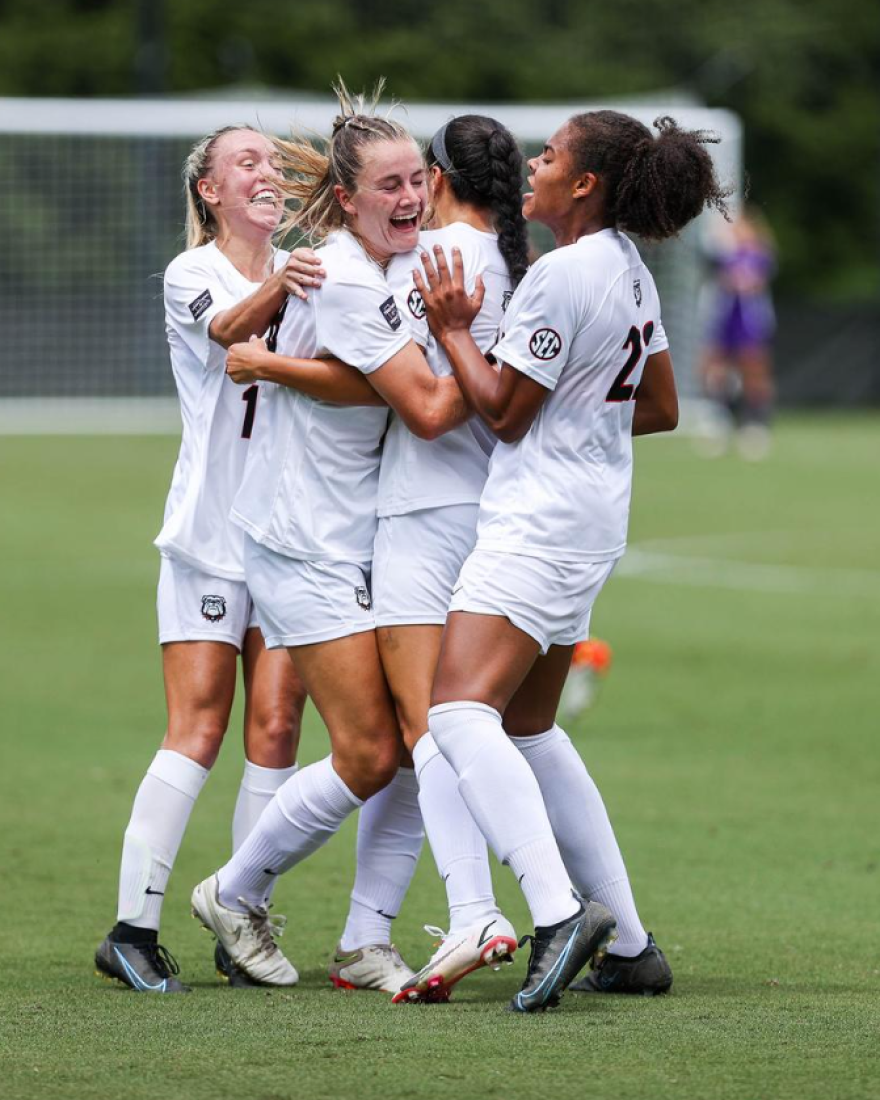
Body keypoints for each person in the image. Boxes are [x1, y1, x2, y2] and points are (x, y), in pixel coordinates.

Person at [413, 110, 729, 1011]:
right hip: (592, 519)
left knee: (457, 714)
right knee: (529, 727)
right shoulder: (628, 270)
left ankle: (558, 912)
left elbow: (503, 413)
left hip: (538, 523)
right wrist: (577, 415)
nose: (534, 165)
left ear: (583, 184)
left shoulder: (559, 274)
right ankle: (628, 944)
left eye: (549, 155)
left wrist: (454, 331)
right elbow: (659, 404)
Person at [231, 114, 531, 998]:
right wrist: (502, 357)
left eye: (415, 181)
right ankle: (235, 892)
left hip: (359, 532)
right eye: (387, 186)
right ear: (347, 197)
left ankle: (366, 939)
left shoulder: (403, 263)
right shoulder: (345, 277)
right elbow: (425, 406)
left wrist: (265, 356)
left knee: (408, 740)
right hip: (302, 535)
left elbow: (367, 379)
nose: (408, 198)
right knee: (373, 750)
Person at [94, 126, 308, 994]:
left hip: (292, 538)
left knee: (279, 728)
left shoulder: (308, 268)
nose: (267, 174)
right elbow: (228, 333)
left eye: (273, 162)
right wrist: (288, 282)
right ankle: (130, 930)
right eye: (246, 163)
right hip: (211, 536)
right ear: (211, 192)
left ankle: (240, 916)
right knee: (201, 727)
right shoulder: (196, 273)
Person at [700, 207, 776, 460]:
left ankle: (756, 425)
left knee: (754, 372)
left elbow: (755, 278)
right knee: (714, 370)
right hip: (724, 319)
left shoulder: (757, 254)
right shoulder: (725, 255)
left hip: (748, 321)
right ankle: (719, 421)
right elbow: (712, 261)